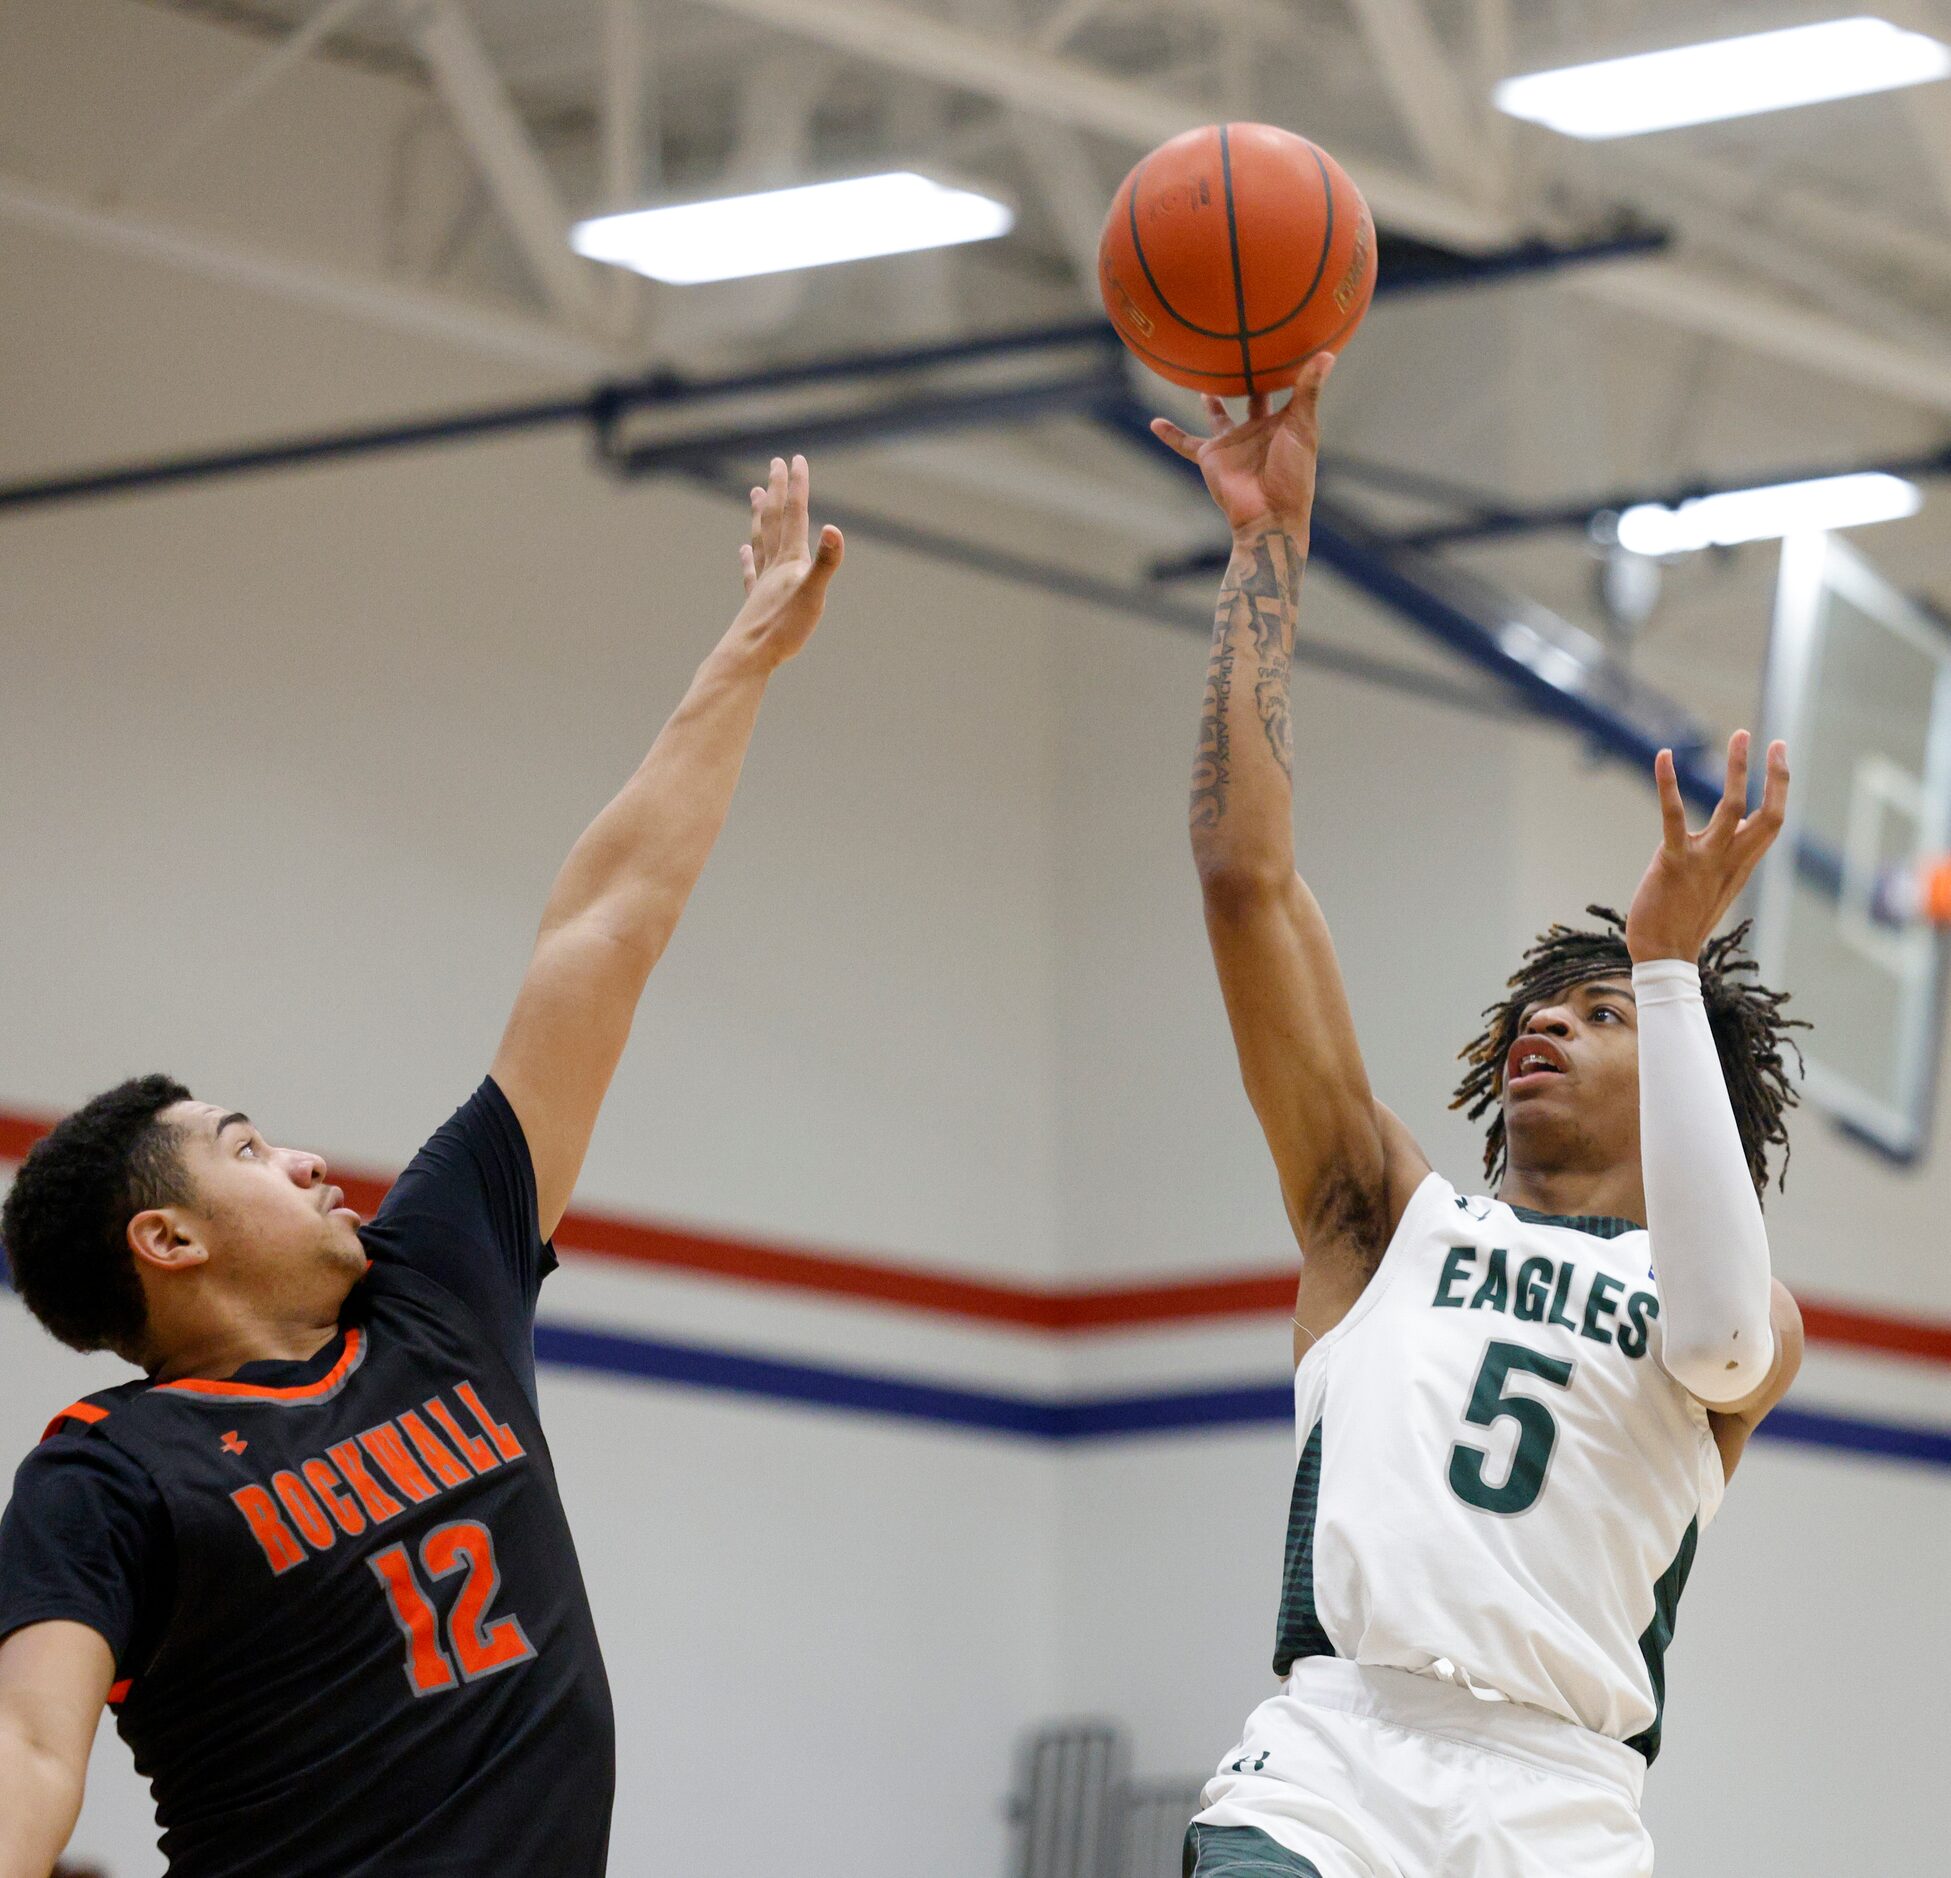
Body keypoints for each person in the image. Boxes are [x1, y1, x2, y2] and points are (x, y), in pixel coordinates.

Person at [0, 456, 844, 1877]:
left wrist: (748, 649)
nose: (311, 1161)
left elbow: (605, 929)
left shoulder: (435, 1279)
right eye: (247, 1148)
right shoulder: (108, 1474)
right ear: (168, 1239)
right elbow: (32, 1747)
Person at [1150, 358, 1805, 1878]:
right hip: (1327, 1767)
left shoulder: (1734, 1316)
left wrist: (1667, 959)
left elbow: (1711, 1334)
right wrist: (1266, 546)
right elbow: (1245, 883)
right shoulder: (1385, 1218)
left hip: (1557, 1805)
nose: (1543, 1024)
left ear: (1689, 1060)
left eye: (1600, 1013)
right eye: (1539, 1006)